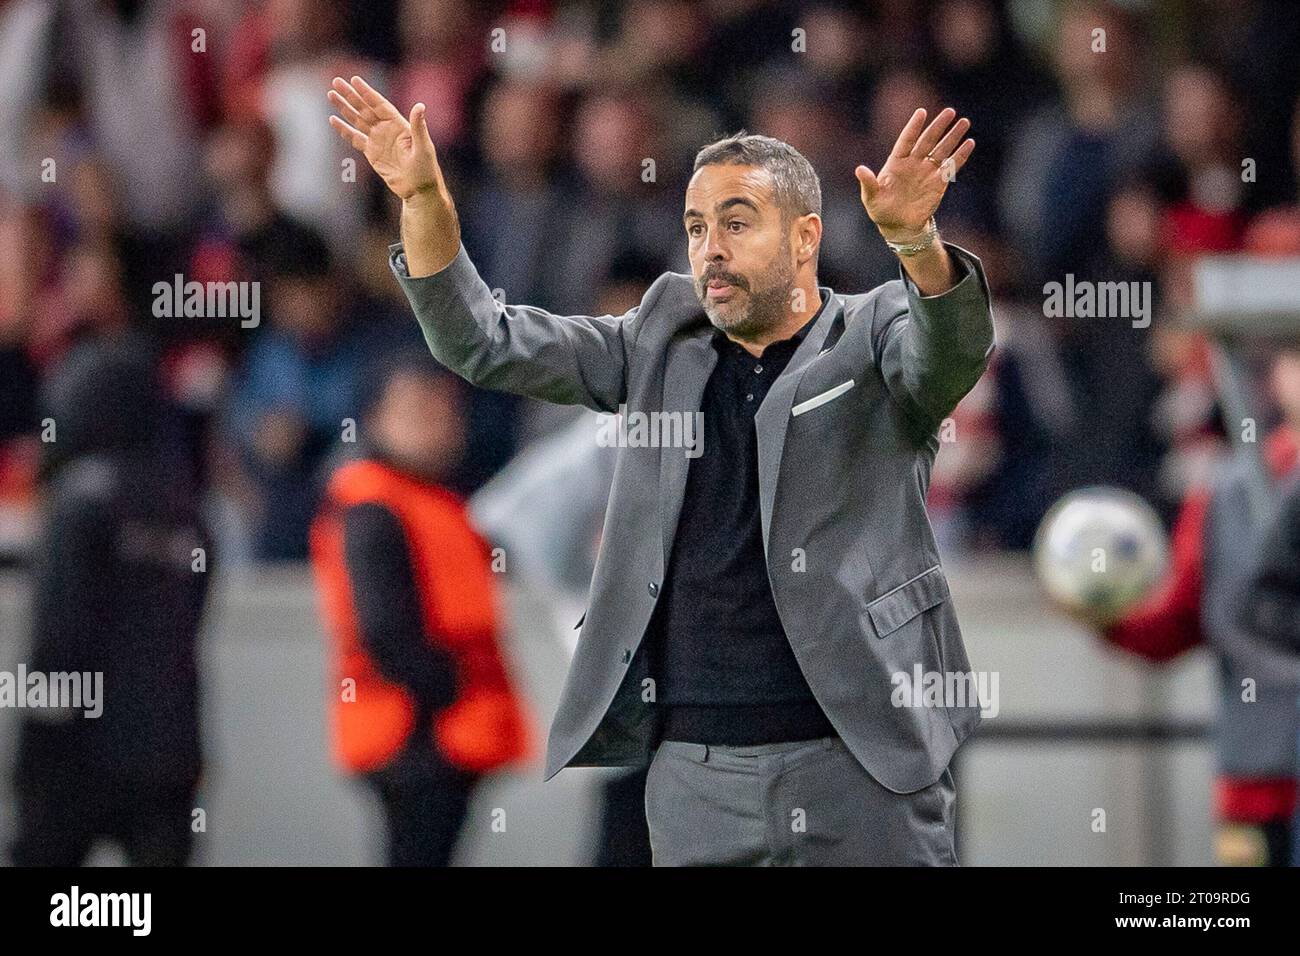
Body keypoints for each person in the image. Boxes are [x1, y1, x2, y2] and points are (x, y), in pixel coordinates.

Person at [327, 75, 993, 865]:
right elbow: (482, 340)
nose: (710, 247)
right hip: (692, 776)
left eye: (737, 223)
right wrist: (425, 199)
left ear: (806, 237)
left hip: (859, 764)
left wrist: (918, 245)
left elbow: (949, 353)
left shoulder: (875, 329)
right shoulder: (655, 341)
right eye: (695, 226)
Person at [1065, 349, 1300, 866]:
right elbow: (1176, 622)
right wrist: (1099, 607)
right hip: (1261, 779)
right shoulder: (1223, 495)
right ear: (1277, 372)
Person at [309, 350, 533, 866]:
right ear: (375, 419)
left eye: (445, 409)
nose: (439, 423)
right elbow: (385, 630)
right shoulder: (372, 504)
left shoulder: (434, 498)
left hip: (442, 734)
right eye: (417, 409)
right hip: (415, 737)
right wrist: (443, 691)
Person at [9, 334, 212, 866]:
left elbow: (59, 635)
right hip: (168, 750)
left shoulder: (78, 501)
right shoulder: (187, 508)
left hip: (76, 754)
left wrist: (35, 760)